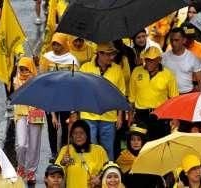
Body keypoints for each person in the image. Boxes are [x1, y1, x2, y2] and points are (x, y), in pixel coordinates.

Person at [79, 42, 126, 160]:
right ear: (100, 54)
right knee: (90, 147)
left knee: (108, 149)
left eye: (113, 54)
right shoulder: (85, 68)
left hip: (109, 116)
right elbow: (78, 90)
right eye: (109, 54)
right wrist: (75, 113)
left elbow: (121, 94)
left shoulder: (117, 69)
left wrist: (120, 116)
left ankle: (108, 174)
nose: (112, 57)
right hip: (88, 115)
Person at [40, 32, 79, 163]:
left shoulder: (72, 60)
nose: (56, 47)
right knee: (52, 126)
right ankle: (53, 152)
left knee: (65, 124)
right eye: (54, 44)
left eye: (58, 44)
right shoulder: (47, 58)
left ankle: (63, 150)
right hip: (50, 98)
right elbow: (43, 77)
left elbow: (75, 80)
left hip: (66, 98)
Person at [129, 46, 179, 140]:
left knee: (159, 142)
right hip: (141, 115)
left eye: (152, 60)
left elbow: (174, 98)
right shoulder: (136, 71)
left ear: (159, 59)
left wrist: (175, 118)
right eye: (147, 59)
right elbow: (132, 97)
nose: (149, 63)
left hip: (160, 115)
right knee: (142, 143)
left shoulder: (168, 74)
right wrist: (130, 116)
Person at [13, 57, 43, 184]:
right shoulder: (16, 80)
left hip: (35, 113)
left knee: (34, 145)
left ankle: (31, 171)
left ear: (31, 68)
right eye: (21, 69)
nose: (24, 72)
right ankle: (21, 166)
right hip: (21, 114)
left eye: (26, 69)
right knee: (21, 144)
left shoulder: (38, 80)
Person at [55, 120, 108, 188]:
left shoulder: (99, 150)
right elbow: (55, 174)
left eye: (81, 133)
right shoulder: (66, 150)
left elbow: (108, 170)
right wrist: (62, 163)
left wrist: (99, 179)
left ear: (87, 135)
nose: (78, 136)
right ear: (71, 135)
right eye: (75, 133)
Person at [116, 124, 164, 188]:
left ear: (143, 141)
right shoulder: (123, 157)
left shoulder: (149, 156)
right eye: (133, 139)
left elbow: (157, 180)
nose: (136, 142)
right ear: (129, 141)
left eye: (139, 139)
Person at [162, 27, 201, 94]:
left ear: (184, 40)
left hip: (187, 94)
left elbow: (200, 80)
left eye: (176, 40)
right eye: (171, 40)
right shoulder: (163, 57)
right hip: (168, 95)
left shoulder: (193, 58)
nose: (173, 43)